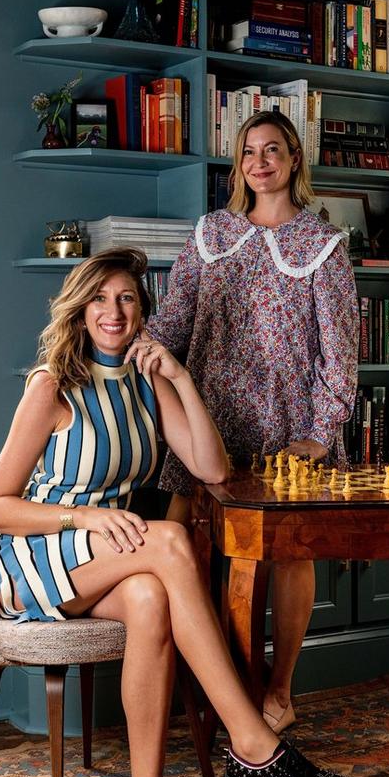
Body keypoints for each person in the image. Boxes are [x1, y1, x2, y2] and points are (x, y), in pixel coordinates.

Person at [0, 248, 362, 777]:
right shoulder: (52, 386)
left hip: (115, 554)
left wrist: (181, 379)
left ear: (142, 311)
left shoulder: (146, 379)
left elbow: (211, 469)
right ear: (80, 308)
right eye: (100, 298)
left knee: (155, 599)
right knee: (171, 542)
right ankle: (253, 743)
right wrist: (86, 520)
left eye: (127, 298)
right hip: (38, 556)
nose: (114, 311)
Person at [146, 110, 359, 735]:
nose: (259, 161)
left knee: (287, 559)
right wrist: (129, 362)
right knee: (182, 551)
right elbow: (173, 320)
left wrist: (319, 435)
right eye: (248, 152)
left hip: (287, 435)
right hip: (205, 425)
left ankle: (280, 689)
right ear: (238, 165)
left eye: (272, 150)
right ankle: (209, 684)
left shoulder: (323, 248)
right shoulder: (212, 233)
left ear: (294, 160)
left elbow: (339, 357)